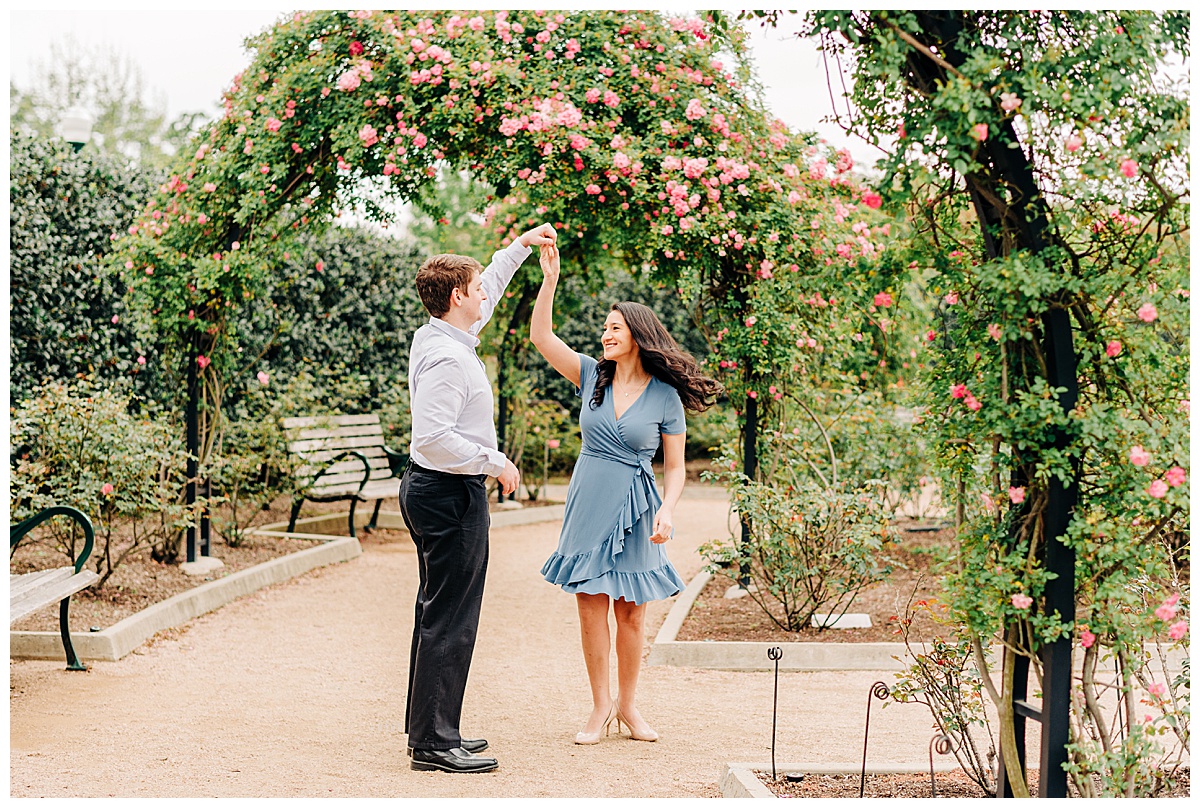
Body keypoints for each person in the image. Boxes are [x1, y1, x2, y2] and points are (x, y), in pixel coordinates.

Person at [530, 243, 721, 745]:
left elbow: (675, 468)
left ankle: (630, 709)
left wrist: (668, 508)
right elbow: (542, 336)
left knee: (632, 610)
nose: (605, 334)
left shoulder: (665, 395)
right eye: (605, 329)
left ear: (637, 334)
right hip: (589, 496)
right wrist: (548, 279)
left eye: (614, 328)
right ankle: (599, 709)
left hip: (639, 505)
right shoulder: (591, 374)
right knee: (590, 602)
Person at [401, 222, 557, 774]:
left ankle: (432, 730)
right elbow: (432, 439)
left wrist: (520, 247)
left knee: (438, 612)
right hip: (448, 494)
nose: (484, 292)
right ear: (455, 298)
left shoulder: (442, 334)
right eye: (475, 287)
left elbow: (491, 280)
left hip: (439, 492)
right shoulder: (447, 358)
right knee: (451, 617)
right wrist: (497, 462)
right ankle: (435, 742)